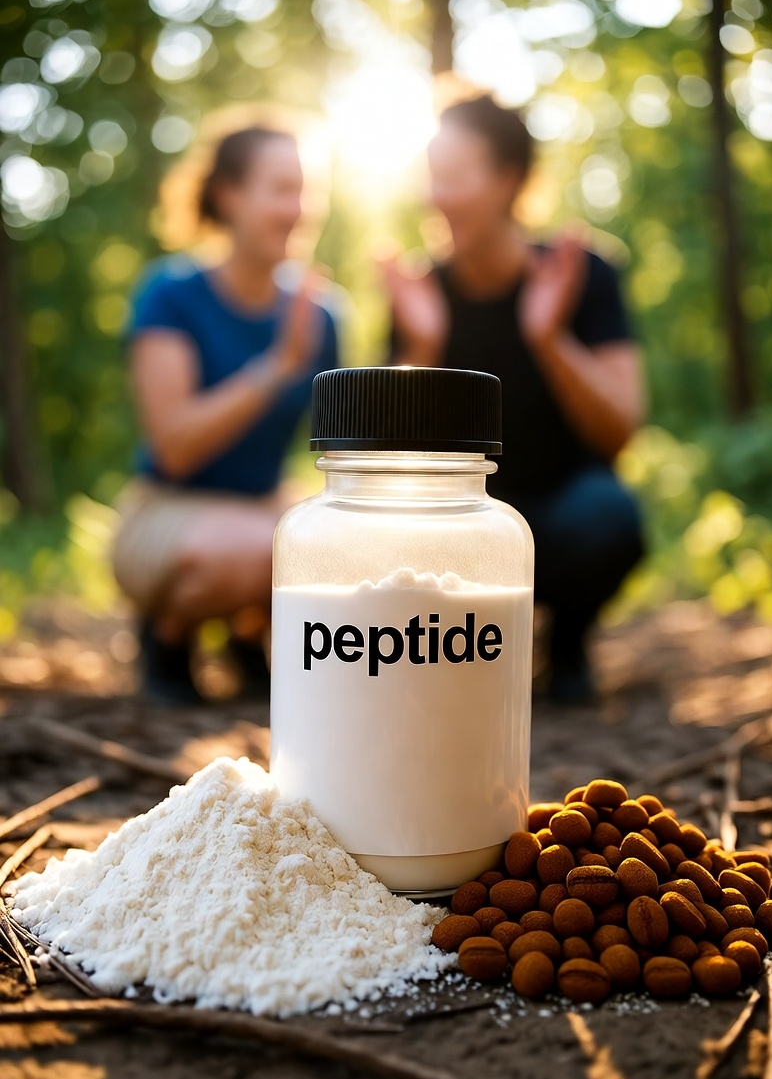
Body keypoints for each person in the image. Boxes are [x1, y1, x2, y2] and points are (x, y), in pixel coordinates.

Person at [382, 95, 646, 703]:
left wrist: (549, 337)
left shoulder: (586, 275)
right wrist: (423, 343)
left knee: (610, 517)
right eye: (430, 175)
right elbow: (385, 457)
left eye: (452, 176)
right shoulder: (422, 292)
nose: (434, 195)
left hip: (563, 509)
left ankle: (568, 638)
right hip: (457, 519)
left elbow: (620, 430)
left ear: (508, 179)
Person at [113, 124, 339, 704]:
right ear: (228, 196)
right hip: (168, 507)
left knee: (338, 541)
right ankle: (167, 635)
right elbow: (175, 448)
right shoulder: (171, 294)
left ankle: (250, 636)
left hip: (262, 507)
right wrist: (278, 366)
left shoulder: (321, 315)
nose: (299, 209)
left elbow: (346, 453)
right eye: (282, 189)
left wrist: (420, 343)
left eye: (306, 191)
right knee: (274, 546)